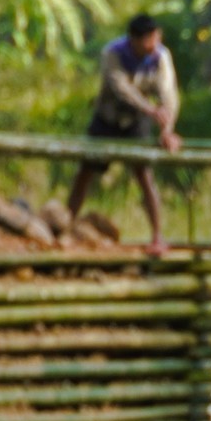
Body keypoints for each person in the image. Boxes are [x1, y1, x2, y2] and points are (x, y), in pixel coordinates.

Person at [68, 14, 184, 255]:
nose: (153, 44)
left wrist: (167, 130)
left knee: (144, 174)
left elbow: (168, 92)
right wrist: (150, 109)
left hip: (136, 122)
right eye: (148, 40)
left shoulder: (161, 57)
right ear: (134, 40)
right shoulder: (113, 53)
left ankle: (157, 236)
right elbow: (120, 88)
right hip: (108, 118)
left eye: (156, 38)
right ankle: (66, 226)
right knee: (86, 171)